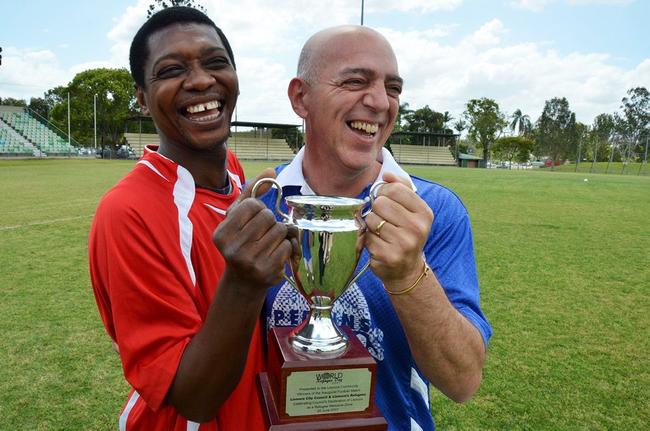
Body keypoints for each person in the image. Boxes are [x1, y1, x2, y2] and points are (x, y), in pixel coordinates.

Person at [260, 25, 492, 430]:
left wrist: (409, 275)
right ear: (301, 97)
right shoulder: (263, 204)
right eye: (355, 81)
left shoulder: (435, 210)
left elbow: (463, 381)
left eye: (394, 88)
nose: (381, 102)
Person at [88, 7, 295, 430]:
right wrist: (243, 282)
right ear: (143, 100)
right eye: (171, 70)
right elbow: (193, 400)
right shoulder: (126, 212)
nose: (201, 80)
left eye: (216, 62)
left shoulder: (236, 175)